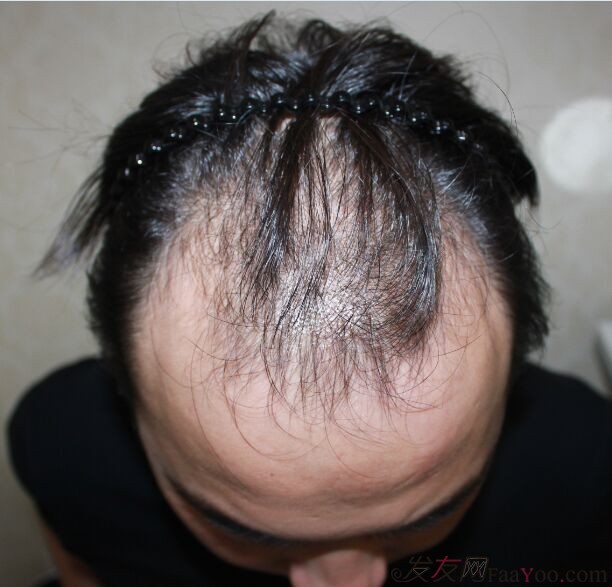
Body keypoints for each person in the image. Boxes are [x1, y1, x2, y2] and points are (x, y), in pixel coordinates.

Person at [7, 11, 612, 587]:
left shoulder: (584, 467)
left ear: (511, 382)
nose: (345, 582)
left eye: (429, 517)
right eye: (238, 529)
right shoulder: (64, 450)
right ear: (126, 393)